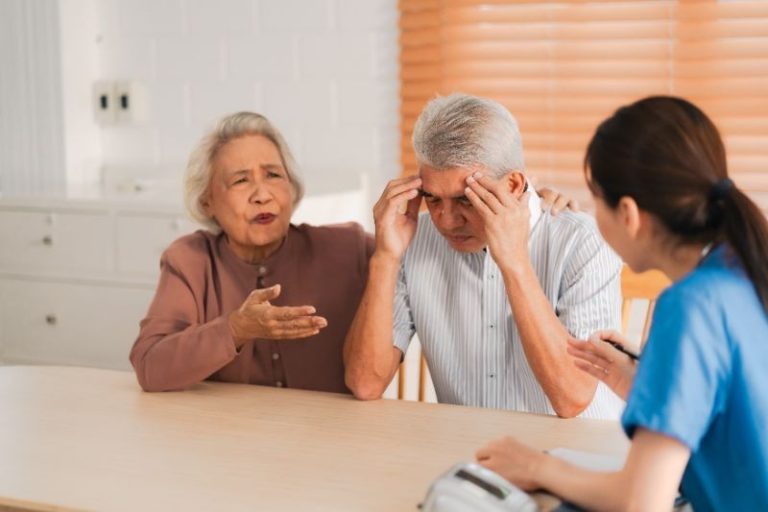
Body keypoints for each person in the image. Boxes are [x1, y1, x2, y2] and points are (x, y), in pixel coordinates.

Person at [130, 110, 574, 393]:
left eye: (274, 175)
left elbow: (401, 250)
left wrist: (529, 206)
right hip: (226, 448)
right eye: (241, 180)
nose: (262, 194)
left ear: (293, 187)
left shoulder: (346, 246)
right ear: (207, 200)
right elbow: (150, 365)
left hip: (331, 447)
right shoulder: (189, 261)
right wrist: (235, 329)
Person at [476, 96, 768, 511]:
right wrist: (643, 383)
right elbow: (738, 416)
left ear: (628, 213)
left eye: (597, 200)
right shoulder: (743, 267)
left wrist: (536, 466)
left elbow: (641, 502)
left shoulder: (689, 307)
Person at [344, 93, 624, 419]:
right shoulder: (412, 241)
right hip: (471, 455)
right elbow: (365, 383)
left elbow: (573, 397)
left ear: (514, 184)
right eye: (432, 199)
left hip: (577, 456)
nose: (446, 221)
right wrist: (385, 257)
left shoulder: (583, 243)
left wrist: (514, 261)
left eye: (465, 200)